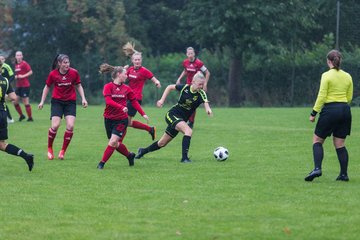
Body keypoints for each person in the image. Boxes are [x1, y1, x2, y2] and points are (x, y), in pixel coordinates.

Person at [135, 71, 213, 163]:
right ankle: (184, 158)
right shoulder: (185, 88)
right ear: (193, 82)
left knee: (162, 143)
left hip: (181, 120)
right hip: (172, 114)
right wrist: (161, 100)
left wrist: (208, 110)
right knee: (188, 131)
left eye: (202, 84)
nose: (201, 86)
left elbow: (206, 104)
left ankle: (142, 151)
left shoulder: (201, 93)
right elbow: (169, 87)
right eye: (200, 84)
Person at [305, 49, 353, 182]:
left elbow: (322, 96)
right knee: (340, 144)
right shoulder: (348, 76)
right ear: (340, 60)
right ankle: (343, 174)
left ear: (328, 61)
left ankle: (317, 168)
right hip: (345, 110)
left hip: (330, 110)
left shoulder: (326, 75)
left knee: (317, 141)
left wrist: (313, 113)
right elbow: (349, 97)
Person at [97, 64, 150, 169]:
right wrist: (121, 106)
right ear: (119, 74)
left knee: (112, 142)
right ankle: (129, 155)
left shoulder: (127, 88)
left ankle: (101, 164)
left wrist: (143, 113)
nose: (127, 76)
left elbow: (134, 102)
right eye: (125, 74)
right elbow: (108, 101)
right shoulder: (108, 87)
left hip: (121, 120)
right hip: (108, 118)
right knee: (115, 144)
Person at [38, 54, 88, 160]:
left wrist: (83, 98)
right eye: (65, 62)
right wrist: (42, 101)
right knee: (55, 126)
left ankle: (62, 151)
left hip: (70, 102)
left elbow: (78, 85)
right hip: (57, 102)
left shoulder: (74, 72)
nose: (67, 64)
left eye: (68, 62)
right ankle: (50, 148)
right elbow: (47, 87)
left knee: (70, 126)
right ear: (59, 63)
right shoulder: (53, 74)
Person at [122, 42, 161, 140]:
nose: (137, 61)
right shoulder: (129, 70)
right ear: (132, 60)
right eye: (135, 60)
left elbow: (153, 78)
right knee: (127, 122)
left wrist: (157, 82)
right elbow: (122, 79)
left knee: (125, 121)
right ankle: (150, 129)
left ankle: (118, 141)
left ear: (141, 60)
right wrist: (123, 69)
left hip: (135, 98)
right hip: (127, 97)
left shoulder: (144, 71)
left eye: (139, 59)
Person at [0, 74, 34, 171]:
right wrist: (3, 97)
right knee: (2, 144)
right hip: (2, 114)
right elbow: (13, 97)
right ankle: (26, 156)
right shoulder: (5, 80)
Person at [176, 47, 210, 129]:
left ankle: (191, 122)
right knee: (184, 102)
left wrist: (205, 84)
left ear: (194, 54)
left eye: (192, 53)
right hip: (188, 85)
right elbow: (185, 70)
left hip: (197, 86)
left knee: (192, 104)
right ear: (186, 54)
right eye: (189, 53)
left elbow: (207, 73)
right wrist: (179, 78)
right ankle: (185, 119)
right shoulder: (185, 62)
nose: (190, 55)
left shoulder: (199, 63)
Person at [13, 51, 34, 122]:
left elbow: (31, 72)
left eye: (20, 55)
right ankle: (21, 115)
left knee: (25, 102)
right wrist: (15, 76)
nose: (18, 57)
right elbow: (17, 74)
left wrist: (23, 76)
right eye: (17, 55)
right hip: (18, 86)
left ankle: (30, 118)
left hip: (25, 86)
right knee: (15, 101)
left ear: (22, 56)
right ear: (15, 57)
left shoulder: (24, 63)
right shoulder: (16, 65)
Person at [0, 54, 15, 123]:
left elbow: (12, 76)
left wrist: (7, 83)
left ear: (4, 60)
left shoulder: (6, 66)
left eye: (2, 59)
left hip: (4, 86)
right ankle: (9, 118)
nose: (1, 60)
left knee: (3, 102)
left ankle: (10, 118)